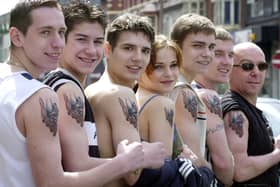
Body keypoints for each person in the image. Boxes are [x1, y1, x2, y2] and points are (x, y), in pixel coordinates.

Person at [0, 1, 149, 187]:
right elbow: (54, 181)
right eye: (45, 32)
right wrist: (128, 162)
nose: (57, 43)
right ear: (16, 36)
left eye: (61, 32)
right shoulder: (39, 96)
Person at [85, 13, 214, 187]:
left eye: (145, 50)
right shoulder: (120, 94)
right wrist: (186, 165)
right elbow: (135, 174)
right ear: (107, 50)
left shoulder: (92, 90)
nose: (138, 57)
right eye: (128, 48)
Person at [221, 42, 280, 186]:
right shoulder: (236, 112)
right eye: (247, 66)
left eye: (262, 66)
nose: (256, 72)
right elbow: (239, 170)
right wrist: (277, 154)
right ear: (229, 69)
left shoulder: (248, 108)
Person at [136, 34, 198, 162]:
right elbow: (164, 166)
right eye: (158, 67)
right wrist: (187, 162)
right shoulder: (161, 104)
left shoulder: (136, 96)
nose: (169, 74)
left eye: (173, 65)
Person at [169, 13, 216, 167]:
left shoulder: (179, 86)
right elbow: (194, 159)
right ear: (177, 47)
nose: (207, 54)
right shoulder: (182, 90)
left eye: (211, 47)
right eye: (197, 46)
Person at [193, 27, 234, 186]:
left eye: (231, 55)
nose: (227, 61)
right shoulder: (206, 97)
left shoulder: (186, 91)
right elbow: (223, 164)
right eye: (218, 54)